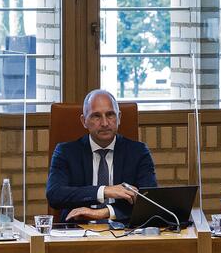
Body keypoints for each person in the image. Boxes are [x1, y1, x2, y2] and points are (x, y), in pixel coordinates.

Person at [46, 90, 157, 222]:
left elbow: (149, 202)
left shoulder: (138, 152)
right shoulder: (66, 152)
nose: (104, 123)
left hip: (124, 232)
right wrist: (104, 191)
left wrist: (103, 213)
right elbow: (55, 195)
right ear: (84, 121)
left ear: (119, 117)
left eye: (110, 115)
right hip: (78, 231)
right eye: (96, 116)